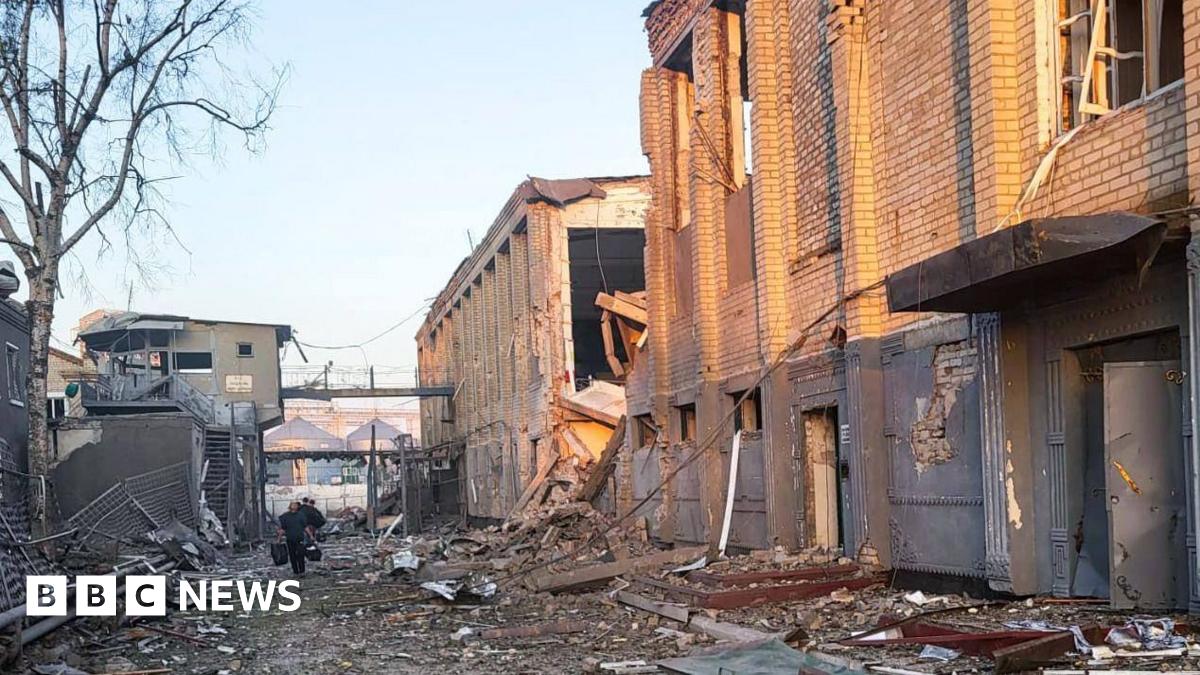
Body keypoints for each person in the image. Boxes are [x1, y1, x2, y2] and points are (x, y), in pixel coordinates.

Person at [277, 501, 309, 576]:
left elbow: (305, 527)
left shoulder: (301, 515)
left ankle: (302, 571)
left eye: (295, 505)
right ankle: (295, 571)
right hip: (290, 538)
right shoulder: (286, 516)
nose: (294, 506)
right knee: (292, 555)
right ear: (290, 506)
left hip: (299, 538)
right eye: (293, 505)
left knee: (301, 554)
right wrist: (279, 539)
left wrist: (311, 536)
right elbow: (282, 529)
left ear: (298, 507)